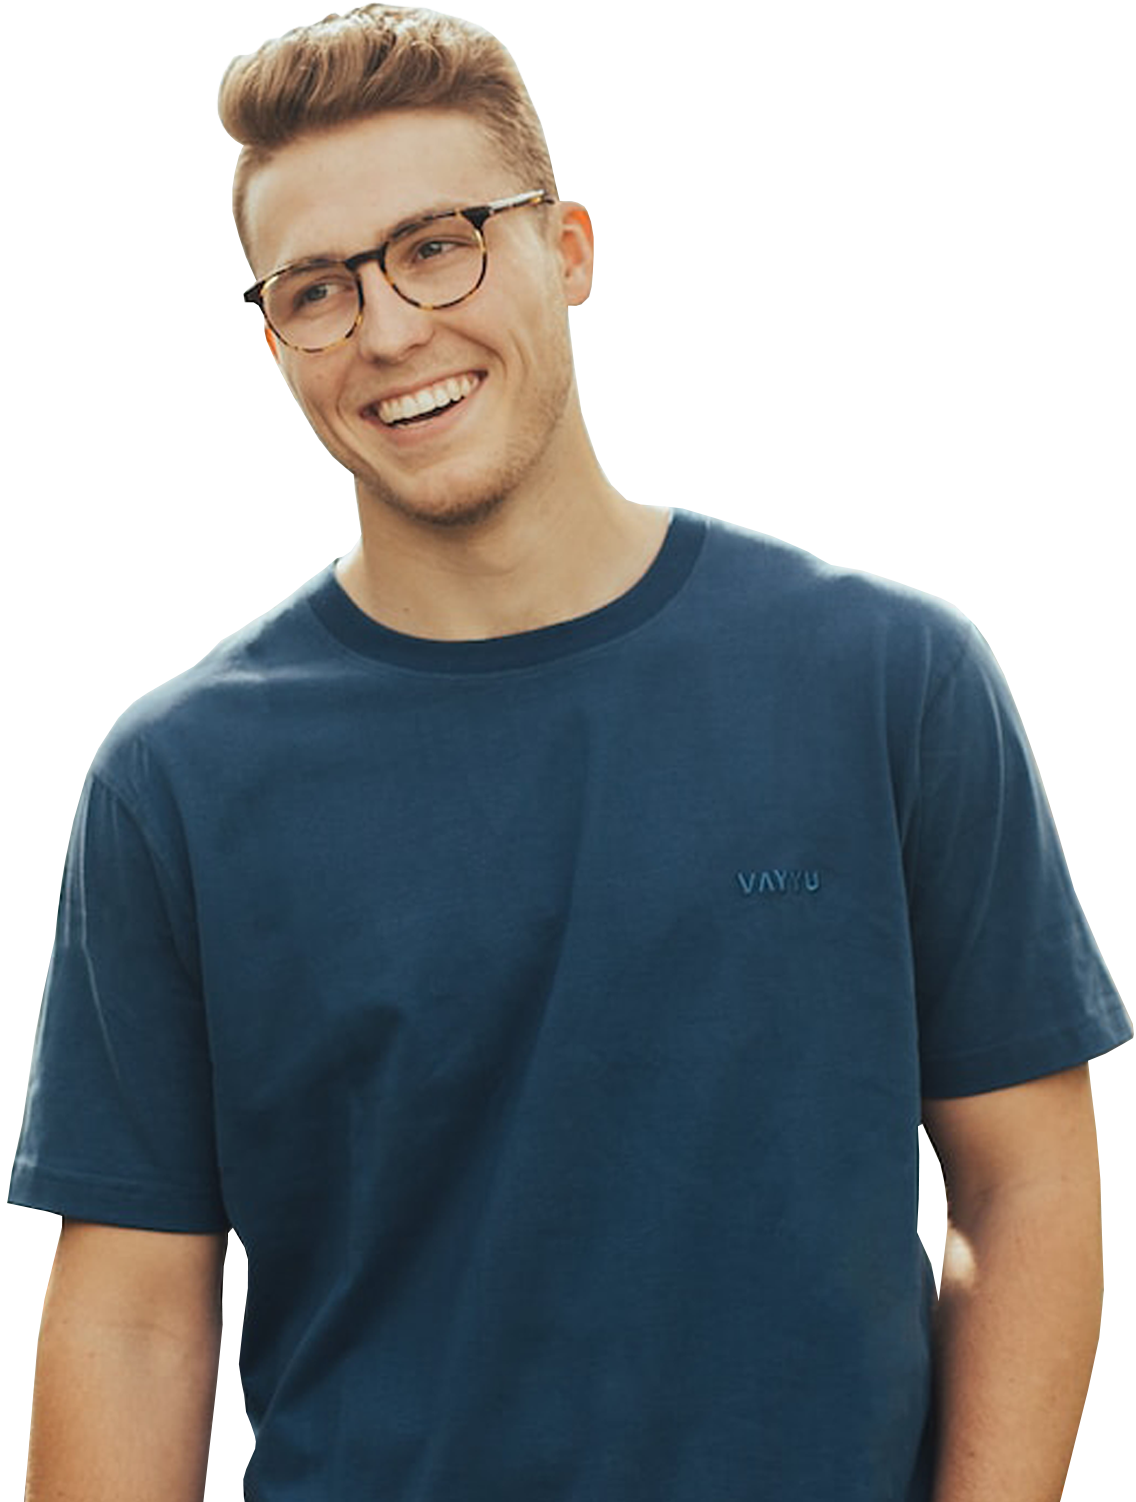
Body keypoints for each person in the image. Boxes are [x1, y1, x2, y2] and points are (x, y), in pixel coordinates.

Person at [8, 6, 1132, 1502]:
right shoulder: (178, 784)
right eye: (319, 289)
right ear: (274, 340)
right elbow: (138, 1312)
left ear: (570, 249)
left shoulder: (886, 682)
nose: (390, 330)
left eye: (439, 246)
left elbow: (1025, 1180)